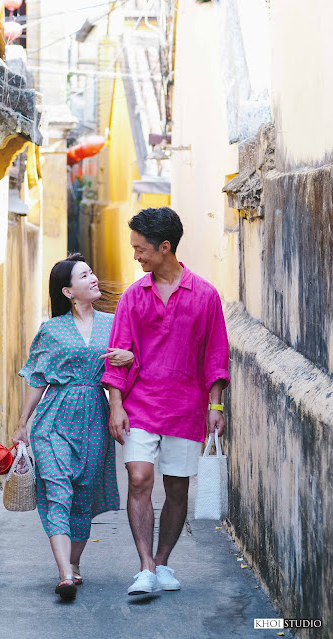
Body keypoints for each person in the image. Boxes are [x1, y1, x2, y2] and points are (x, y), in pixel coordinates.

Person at [101, 207, 230, 596]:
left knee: (176, 489)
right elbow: (117, 352)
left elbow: (215, 354)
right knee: (139, 477)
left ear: (165, 247)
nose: (136, 256)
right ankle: (144, 567)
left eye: (141, 249)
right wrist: (116, 404)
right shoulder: (132, 297)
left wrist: (216, 405)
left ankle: (162, 563)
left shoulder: (205, 296)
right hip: (140, 405)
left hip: (186, 408)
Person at [12, 253, 133, 600]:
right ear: (68, 291)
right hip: (54, 418)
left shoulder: (113, 324)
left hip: (95, 417)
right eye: (85, 276)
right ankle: (64, 572)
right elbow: (37, 378)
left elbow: (119, 375)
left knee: (82, 497)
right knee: (58, 490)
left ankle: (75, 565)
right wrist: (22, 423)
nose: (94, 278)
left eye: (92, 272)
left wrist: (117, 407)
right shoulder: (52, 330)